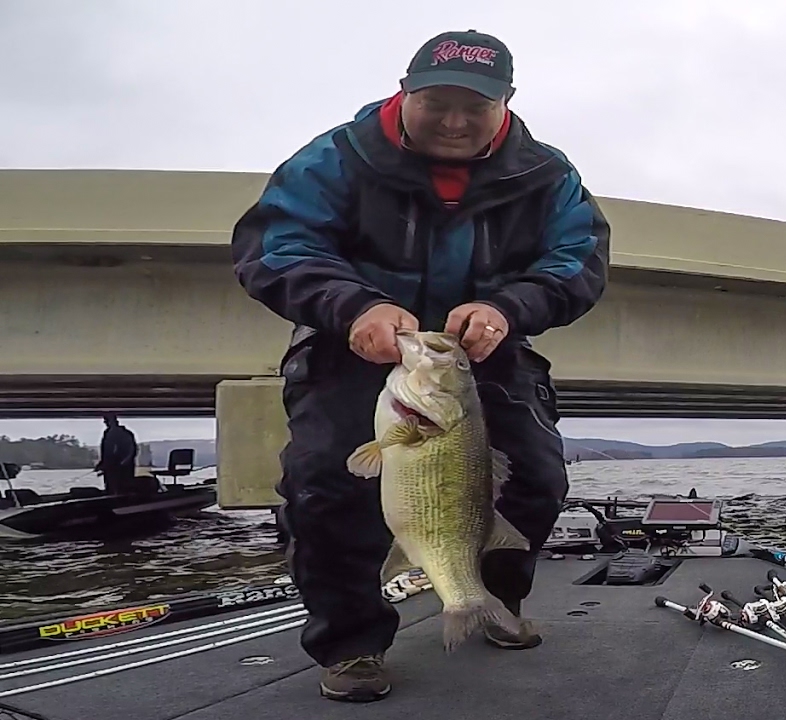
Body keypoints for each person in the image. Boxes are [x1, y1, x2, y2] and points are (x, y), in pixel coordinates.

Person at [229, 29, 610, 703]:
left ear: (508, 103)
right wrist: (353, 306)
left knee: (538, 478)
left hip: (480, 356)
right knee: (324, 484)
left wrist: (507, 308)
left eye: (477, 105)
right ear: (405, 92)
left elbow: (576, 260)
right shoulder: (336, 158)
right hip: (352, 349)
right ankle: (351, 644)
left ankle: (491, 599)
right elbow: (279, 244)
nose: (456, 121)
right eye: (437, 102)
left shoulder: (546, 175)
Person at [95, 413, 138, 496]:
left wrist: (123, 463)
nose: (106, 423)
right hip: (110, 469)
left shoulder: (125, 434)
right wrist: (102, 463)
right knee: (110, 487)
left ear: (115, 421)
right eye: (105, 421)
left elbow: (131, 450)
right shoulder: (107, 433)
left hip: (123, 468)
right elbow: (107, 452)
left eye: (107, 421)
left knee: (123, 488)